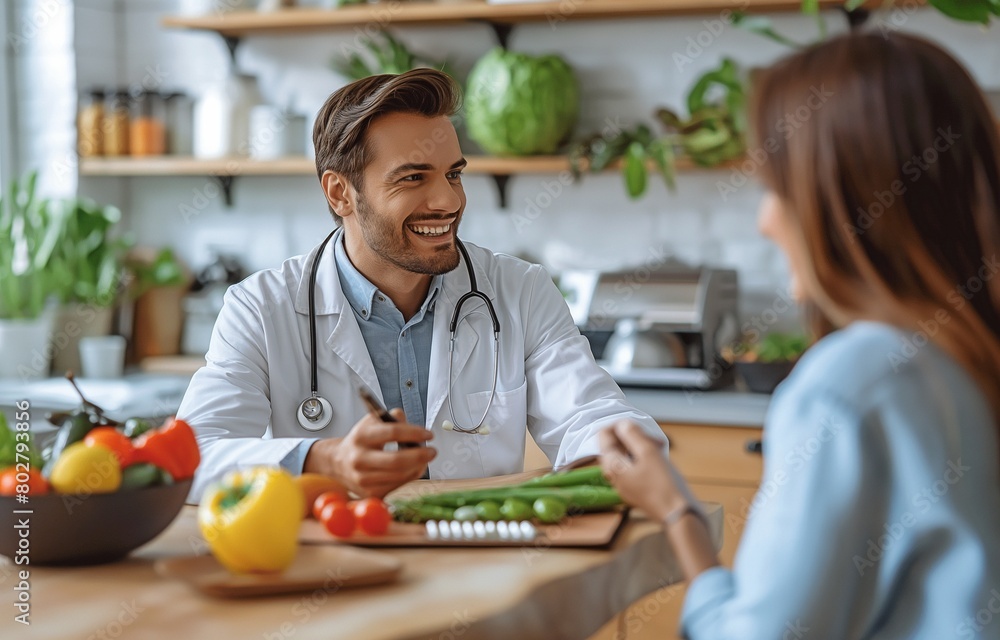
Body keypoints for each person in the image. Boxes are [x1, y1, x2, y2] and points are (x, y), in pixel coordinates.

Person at [601, 31, 1000, 639]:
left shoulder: (854, 382)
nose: (764, 221)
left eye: (774, 189)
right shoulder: (966, 360)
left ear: (843, 199)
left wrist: (677, 513)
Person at [178, 69, 664, 501]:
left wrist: (612, 451)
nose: (447, 200)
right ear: (340, 193)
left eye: (453, 174)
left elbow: (590, 415)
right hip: (338, 568)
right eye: (413, 178)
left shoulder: (521, 291)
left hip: (480, 566)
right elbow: (191, 458)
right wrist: (322, 460)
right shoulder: (261, 307)